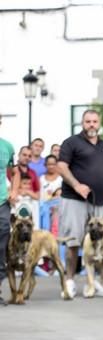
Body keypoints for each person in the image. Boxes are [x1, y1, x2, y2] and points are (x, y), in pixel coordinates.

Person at [57, 109, 103, 298]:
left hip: (98, 201)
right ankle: (69, 282)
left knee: (99, 243)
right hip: (74, 198)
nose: (91, 125)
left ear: (99, 123)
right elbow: (61, 166)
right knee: (73, 241)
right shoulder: (71, 143)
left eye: (95, 121)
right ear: (82, 123)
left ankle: (93, 283)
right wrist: (77, 185)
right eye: (88, 121)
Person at [0, 115, 18, 304]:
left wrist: (13, 190)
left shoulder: (7, 146)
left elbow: (14, 172)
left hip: (2, 203)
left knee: (1, 247)